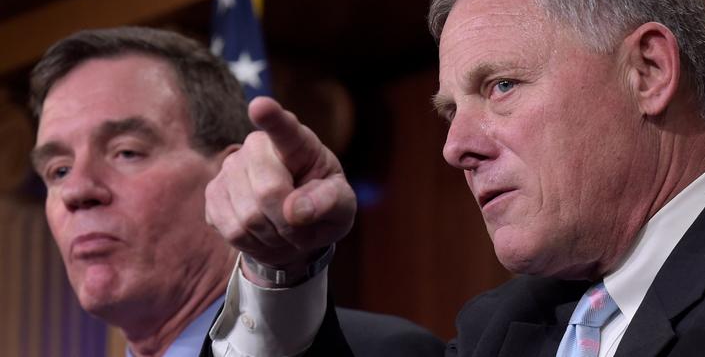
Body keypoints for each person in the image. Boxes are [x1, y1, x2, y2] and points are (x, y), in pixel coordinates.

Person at [206, 0, 705, 356]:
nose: (456, 147)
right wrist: (281, 271)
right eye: (451, 110)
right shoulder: (504, 328)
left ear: (648, 71)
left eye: (502, 85)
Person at [28, 27, 444, 357]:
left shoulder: (379, 351)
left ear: (232, 174)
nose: (77, 191)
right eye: (59, 169)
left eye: (126, 152)